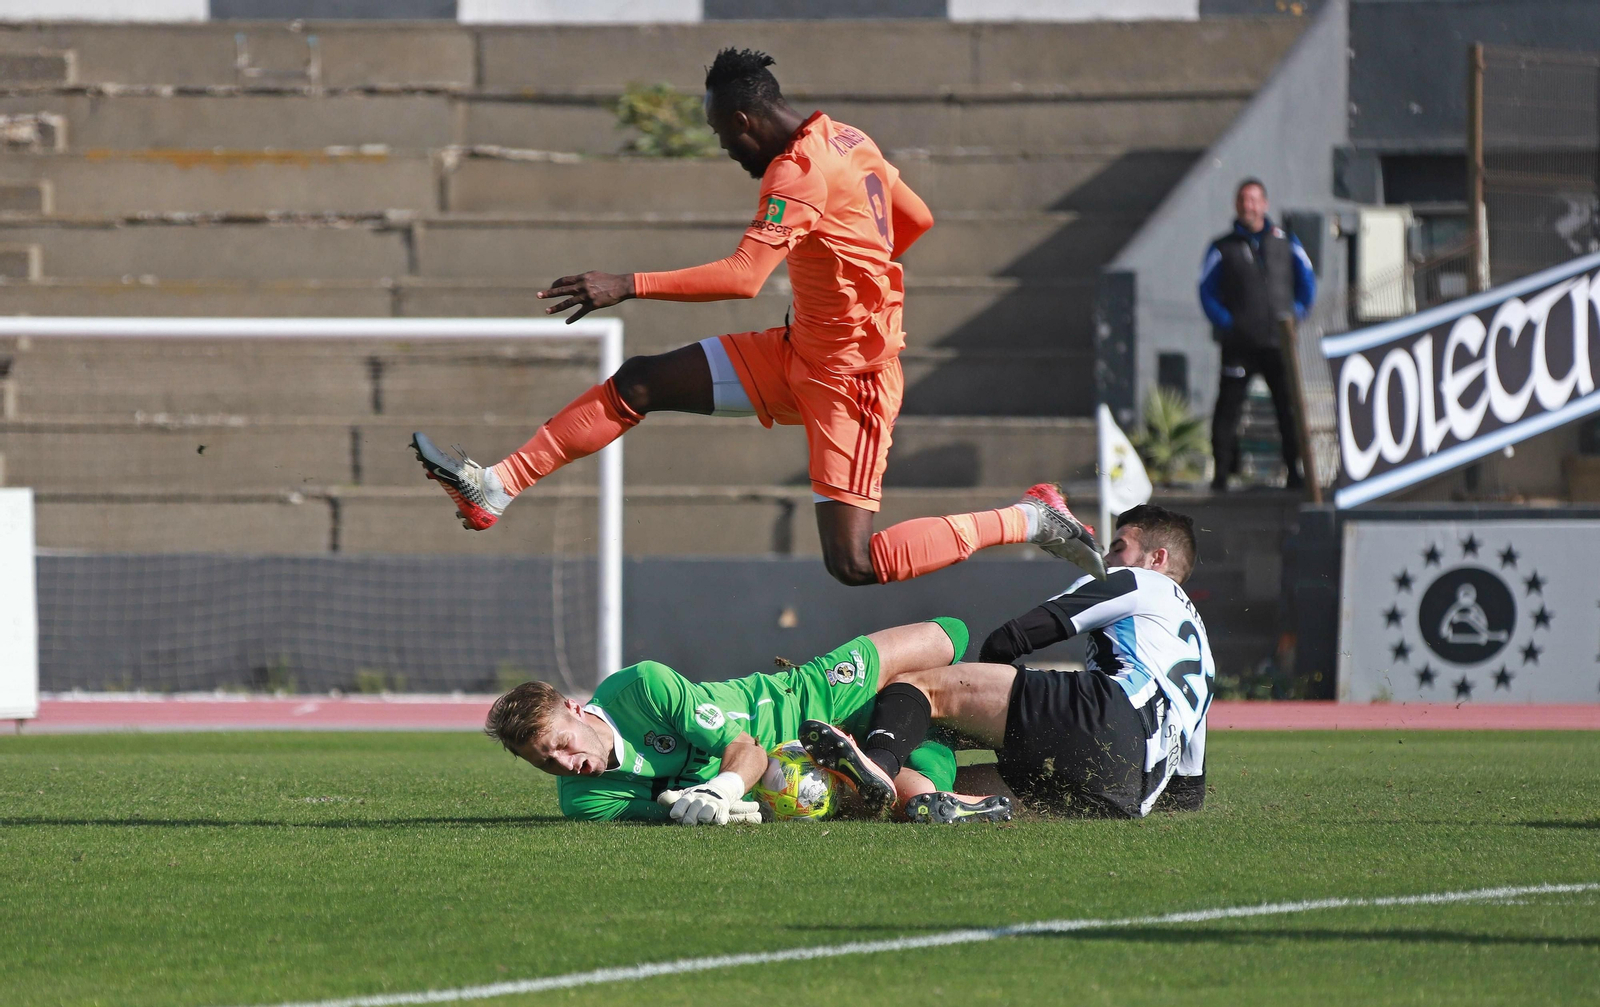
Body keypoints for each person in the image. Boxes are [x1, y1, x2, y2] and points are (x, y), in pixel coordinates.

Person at [411, 48, 1103, 585]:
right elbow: (916, 218)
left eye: (722, 135)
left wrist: (626, 283)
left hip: (850, 384)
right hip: (799, 350)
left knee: (853, 562)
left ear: (744, 121)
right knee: (640, 381)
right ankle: (497, 487)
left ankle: (1031, 518)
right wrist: (855, 278)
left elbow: (744, 277)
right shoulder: (848, 138)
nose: (725, 149)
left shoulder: (796, 171)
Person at [800, 504, 1212, 820]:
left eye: (1119, 548)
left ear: (1157, 559)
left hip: (1106, 711)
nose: (1107, 559)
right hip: (1129, 791)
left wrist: (971, 697)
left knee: (919, 687)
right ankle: (937, 800)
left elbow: (1016, 637)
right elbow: (1188, 794)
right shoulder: (1202, 655)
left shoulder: (1140, 579)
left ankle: (877, 764)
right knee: (948, 786)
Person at [484, 616, 1012, 825]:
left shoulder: (640, 687)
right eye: (545, 764)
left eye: (561, 744)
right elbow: (674, 815)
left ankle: (892, 751)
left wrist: (720, 789)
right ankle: (910, 764)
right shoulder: (584, 802)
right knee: (920, 793)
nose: (564, 764)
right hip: (796, 771)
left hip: (803, 699)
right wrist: (716, 810)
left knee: (949, 635)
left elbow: (747, 750)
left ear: (575, 709)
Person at [1199, 178, 1316, 491]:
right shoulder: (1222, 247)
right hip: (1239, 345)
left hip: (1278, 344)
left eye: (1253, 200)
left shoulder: (1286, 241)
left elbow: (1307, 283)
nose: (1248, 206)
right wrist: (1228, 322)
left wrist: (1295, 315)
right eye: (1243, 200)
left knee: (1288, 408)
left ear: (1264, 204)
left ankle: (1295, 471)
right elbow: (1206, 290)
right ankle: (1222, 474)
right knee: (1228, 409)